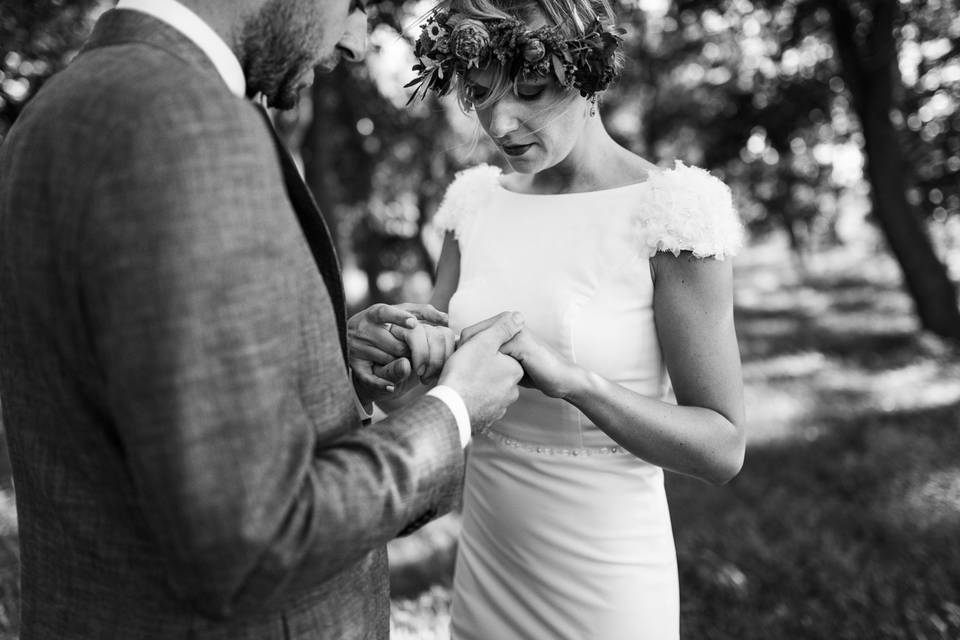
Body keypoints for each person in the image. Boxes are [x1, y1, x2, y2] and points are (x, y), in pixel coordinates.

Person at [0, 0, 525, 638]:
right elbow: (249, 540)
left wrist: (328, 369)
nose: (356, 44)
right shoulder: (188, 126)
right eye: (355, 5)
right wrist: (454, 411)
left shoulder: (56, 108)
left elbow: (141, 400)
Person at [357, 0, 747, 636]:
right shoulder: (472, 204)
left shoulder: (675, 214)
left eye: (530, 91)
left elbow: (722, 448)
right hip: (487, 565)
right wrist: (399, 376)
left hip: (605, 580)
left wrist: (573, 381)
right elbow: (443, 393)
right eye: (480, 94)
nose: (501, 121)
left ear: (587, 73)